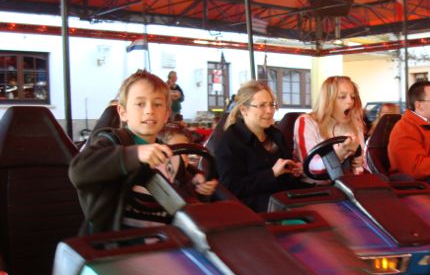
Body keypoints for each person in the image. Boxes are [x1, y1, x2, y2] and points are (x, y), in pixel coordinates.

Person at [69, 69, 216, 234]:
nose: (149, 110)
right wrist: (134, 155)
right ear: (123, 113)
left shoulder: (170, 156)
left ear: (166, 114)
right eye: (140, 104)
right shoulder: (112, 142)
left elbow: (182, 186)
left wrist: (198, 186)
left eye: (157, 104)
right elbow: (78, 171)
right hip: (117, 241)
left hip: (164, 240)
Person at [214, 80, 309, 212]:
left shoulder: (276, 135)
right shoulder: (230, 141)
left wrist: (294, 171)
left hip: (282, 199)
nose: (269, 111)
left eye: (271, 105)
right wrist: (271, 174)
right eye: (262, 106)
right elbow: (231, 188)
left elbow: (286, 177)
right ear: (244, 109)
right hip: (253, 209)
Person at [293, 76, 366, 183]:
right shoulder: (306, 122)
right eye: (342, 97)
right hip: (316, 188)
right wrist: (341, 153)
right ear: (328, 100)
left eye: (353, 97)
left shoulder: (355, 124)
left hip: (347, 185)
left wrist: (358, 163)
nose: (350, 101)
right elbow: (311, 167)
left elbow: (361, 167)